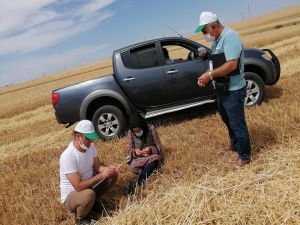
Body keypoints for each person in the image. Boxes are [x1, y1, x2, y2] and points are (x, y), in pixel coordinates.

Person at [196, 11, 251, 168]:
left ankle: (245, 155)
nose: (204, 34)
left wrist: (210, 75)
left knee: (237, 123)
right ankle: (235, 144)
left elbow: (232, 64)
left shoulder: (230, 37)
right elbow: (217, 63)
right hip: (223, 88)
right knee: (227, 119)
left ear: (213, 26)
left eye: (205, 31)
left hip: (233, 89)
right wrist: (207, 75)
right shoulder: (216, 41)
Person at [59, 120, 118, 225]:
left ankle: (92, 203)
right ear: (78, 137)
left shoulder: (91, 147)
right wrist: (101, 175)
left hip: (88, 187)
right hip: (72, 196)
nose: (90, 142)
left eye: (91, 138)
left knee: (112, 175)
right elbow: (78, 186)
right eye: (87, 138)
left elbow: (98, 166)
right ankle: (80, 218)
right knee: (88, 195)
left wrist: (108, 170)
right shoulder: (68, 156)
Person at [125, 114, 163, 194]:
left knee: (155, 159)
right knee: (132, 166)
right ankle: (146, 172)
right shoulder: (130, 132)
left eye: (138, 131)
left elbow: (159, 147)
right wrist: (135, 152)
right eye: (135, 132)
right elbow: (129, 149)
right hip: (139, 159)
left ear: (142, 126)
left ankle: (138, 182)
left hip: (151, 156)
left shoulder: (151, 129)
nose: (137, 133)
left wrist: (150, 149)